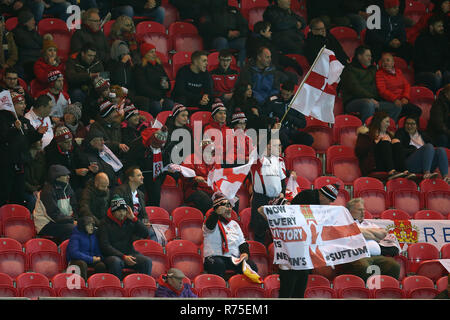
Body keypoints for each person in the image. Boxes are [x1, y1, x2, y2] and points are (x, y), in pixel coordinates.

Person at [341, 198, 401, 281]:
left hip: (375, 256)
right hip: (355, 256)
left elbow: (383, 234)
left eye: (363, 210)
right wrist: (374, 235)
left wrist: (363, 233)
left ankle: (386, 290)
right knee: (363, 266)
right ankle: (365, 290)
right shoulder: (344, 223)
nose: (363, 213)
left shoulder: (369, 224)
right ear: (349, 212)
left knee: (393, 265)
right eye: (359, 210)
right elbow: (348, 233)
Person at [0, 92, 44, 206]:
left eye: (24, 103)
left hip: (21, 163)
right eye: (20, 103)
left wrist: (38, 134)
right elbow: (3, 137)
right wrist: (14, 128)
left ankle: (16, 220)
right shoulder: (2, 119)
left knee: (18, 194)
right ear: (11, 105)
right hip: (6, 165)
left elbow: (30, 138)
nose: (24, 106)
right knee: (4, 194)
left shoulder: (24, 121)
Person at [340, 45, 402, 123]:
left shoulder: (373, 69)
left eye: (371, 56)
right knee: (369, 104)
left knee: (396, 106)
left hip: (374, 100)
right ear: (359, 56)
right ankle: (367, 130)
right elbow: (355, 89)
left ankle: (385, 130)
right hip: (353, 101)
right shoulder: (349, 70)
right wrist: (371, 98)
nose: (370, 58)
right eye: (367, 56)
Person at [203, 192, 258, 279]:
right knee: (218, 264)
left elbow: (242, 242)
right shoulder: (211, 221)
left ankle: (240, 289)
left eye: (230, 206)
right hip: (214, 256)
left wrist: (245, 253)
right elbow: (209, 226)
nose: (229, 209)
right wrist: (216, 213)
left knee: (251, 266)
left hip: (233, 259)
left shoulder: (234, 224)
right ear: (218, 208)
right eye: (226, 206)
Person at [97, 196, 152, 280]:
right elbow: (105, 246)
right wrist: (123, 257)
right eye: (119, 211)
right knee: (116, 262)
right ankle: (117, 288)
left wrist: (134, 219)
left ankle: (142, 286)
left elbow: (145, 233)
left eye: (123, 210)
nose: (122, 213)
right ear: (113, 212)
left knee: (147, 262)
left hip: (129, 253)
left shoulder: (129, 221)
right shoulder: (104, 223)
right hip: (111, 255)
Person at [250, 134, 287, 245]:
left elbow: (282, 180)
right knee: (260, 230)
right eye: (275, 144)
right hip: (261, 199)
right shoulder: (256, 158)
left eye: (279, 145)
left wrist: (282, 194)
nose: (277, 147)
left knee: (277, 232)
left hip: (276, 200)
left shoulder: (278, 160)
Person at [355, 111, 413, 179]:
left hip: (390, 164)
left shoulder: (390, 135)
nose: (388, 125)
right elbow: (359, 151)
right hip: (374, 165)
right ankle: (391, 171)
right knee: (385, 140)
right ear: (379, 122)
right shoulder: (366, 134)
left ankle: (405, 171)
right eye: (387, 122)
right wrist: (376, 143)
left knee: (396, 141)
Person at [395, 115, 449, 182]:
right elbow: (398, 150)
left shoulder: (423, 135)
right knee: (428, 146)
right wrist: (415, 150)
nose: (409, 126)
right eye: (407, 123)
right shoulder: (400, 133)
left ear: (417, 125)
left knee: (441, 150)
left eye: (412, 124)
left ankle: (446, 177)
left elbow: (434, 147)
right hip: (409, 163)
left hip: (425, 162)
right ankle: (426, 173)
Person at [125, 126, 170, 207]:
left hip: (154, 173)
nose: (157, 148)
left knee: (156, 195)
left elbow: (166, 162)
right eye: (155, 145)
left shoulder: (165, 146)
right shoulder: (137, 145)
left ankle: (154, 213)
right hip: (138, 173)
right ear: (151, 141)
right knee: (139, 195)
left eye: (159, 146)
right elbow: (130, 163)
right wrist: (137, 175)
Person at [33, 164, 77, 244]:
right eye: (65, 175)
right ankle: (65, 252)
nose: (68, 177)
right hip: (45, 224)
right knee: (72, 229)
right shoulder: (47, 192)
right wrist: (71, 221)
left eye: (68, 175)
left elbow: (74, 206)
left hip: (63, 221)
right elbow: (53, 214)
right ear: (57, 177)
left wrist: (77, 219)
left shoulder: (68, 188)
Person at [264, 80, 313, 150]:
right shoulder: (274, 101)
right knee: (283, 137)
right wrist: (273, 120)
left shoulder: (297, 103)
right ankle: (289, 150)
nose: (284, 96)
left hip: (291, 130)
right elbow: (265, 116)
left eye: (287, 95)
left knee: (308, 139)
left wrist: (291, 118)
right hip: (277, 130)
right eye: (283, 93)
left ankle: (292, 149)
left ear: (292, 92)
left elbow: (303, 124)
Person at [199, 0, 249, 66]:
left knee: (246, 42)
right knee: (222, 41)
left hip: (234, 39)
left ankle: (241, 68)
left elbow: (244, 26)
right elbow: (208, 28)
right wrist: (227, 33)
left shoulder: (233, 9)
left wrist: (239, 33)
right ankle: (223, 69)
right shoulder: (207, 10)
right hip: (215, 39)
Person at [376, 52, 422, 120]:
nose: (385, 63)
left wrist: (405, 97)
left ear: (393, 63)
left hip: (402, 100)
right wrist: (395, 99)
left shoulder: (398, 72)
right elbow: (382, 91)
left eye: (388, 60)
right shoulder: (379, 74)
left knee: (417, 111)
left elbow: (406, 85)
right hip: (390, 101)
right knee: (405, 110)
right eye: (383, 61)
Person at [133, 42, 173, 117]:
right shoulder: (140, 67)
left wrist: (168, 86)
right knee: (156, 106)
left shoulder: (158, 65)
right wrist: (159, 97)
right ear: (145, 53)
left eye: (154, 51)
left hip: (161, 96)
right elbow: (142, 87)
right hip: (148, 98)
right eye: (151, 52)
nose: (154, 54)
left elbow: (166, 79)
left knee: (170, 104)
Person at [413, 14, 450, 93]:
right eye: (439, 26)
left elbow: (447, 58)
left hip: (439, 70)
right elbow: (418, 62)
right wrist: (434, 70)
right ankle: (436, 99)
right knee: (436, 78)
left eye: (442, 26)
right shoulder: (421, 40)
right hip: (423, 72)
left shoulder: (443, 39)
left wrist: (441, 69)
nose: (442, 28)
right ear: (431, 27)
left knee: (448, 75)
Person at [181, 138, 219, 214]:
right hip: (194, 189)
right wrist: (195, 178)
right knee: (206, 200)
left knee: (233, 199)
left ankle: (229, 223)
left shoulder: (215, 161)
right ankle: (209, 222)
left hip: (211, 190)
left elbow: (220, 176)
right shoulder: (191, 158)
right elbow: (184, 174)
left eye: (212, 152)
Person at [45, 125, 88, 192]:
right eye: (66, 142)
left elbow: (81, 159)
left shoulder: (72, 146)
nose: (70, 144)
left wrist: (89, 167)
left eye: (70, 141)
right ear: (59, 143)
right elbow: (57, 173)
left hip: (75, 182)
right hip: (61, 185)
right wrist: (75, 172)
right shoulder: (51, 152)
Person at [66, 215, 107, 281]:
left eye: (92, 225)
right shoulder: (75, 236)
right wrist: (90, 259)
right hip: (75, 261)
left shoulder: (94, 236)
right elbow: (74, 253)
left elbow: (97, 250)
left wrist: (99, 257)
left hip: (90, 260)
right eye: (88, 225)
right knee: (82, 264)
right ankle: (83, 285)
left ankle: (97, 286)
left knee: (101, 265)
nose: (91, 228)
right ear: (83, 226)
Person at [66, 42, 104, 107]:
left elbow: (102, 77)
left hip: (93, 89)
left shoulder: (97, 62)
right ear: (83, 54)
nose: (92, 58)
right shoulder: (73, 60)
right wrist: (89, 76)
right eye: (89, 55)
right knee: (77, 93)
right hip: (78, 89)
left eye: (93, 56)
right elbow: (71, 77)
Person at [12, 10, 43, 80]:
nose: (34, 22)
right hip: (26, 61)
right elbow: (30, 45)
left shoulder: (31, 30)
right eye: (32, 20)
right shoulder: (17, 32)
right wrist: (39, 49)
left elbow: (41, 43)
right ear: (25, 22)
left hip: (35, 58)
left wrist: (33, 32)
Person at [23, 140, 46, 212]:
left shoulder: (42, 156)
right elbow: (20, 179)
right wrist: (33, 189)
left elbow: (44, 175)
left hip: (39, 188)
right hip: (25, 189)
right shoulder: (23, 157)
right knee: (33, 200)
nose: (42, 142)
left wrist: (40, 188)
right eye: (38, 140)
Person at [426, 84, 450, 148]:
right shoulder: (438, 104)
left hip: (446, 131)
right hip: (436, 133)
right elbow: (438, 124)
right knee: (443, 138)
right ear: (446, 94)